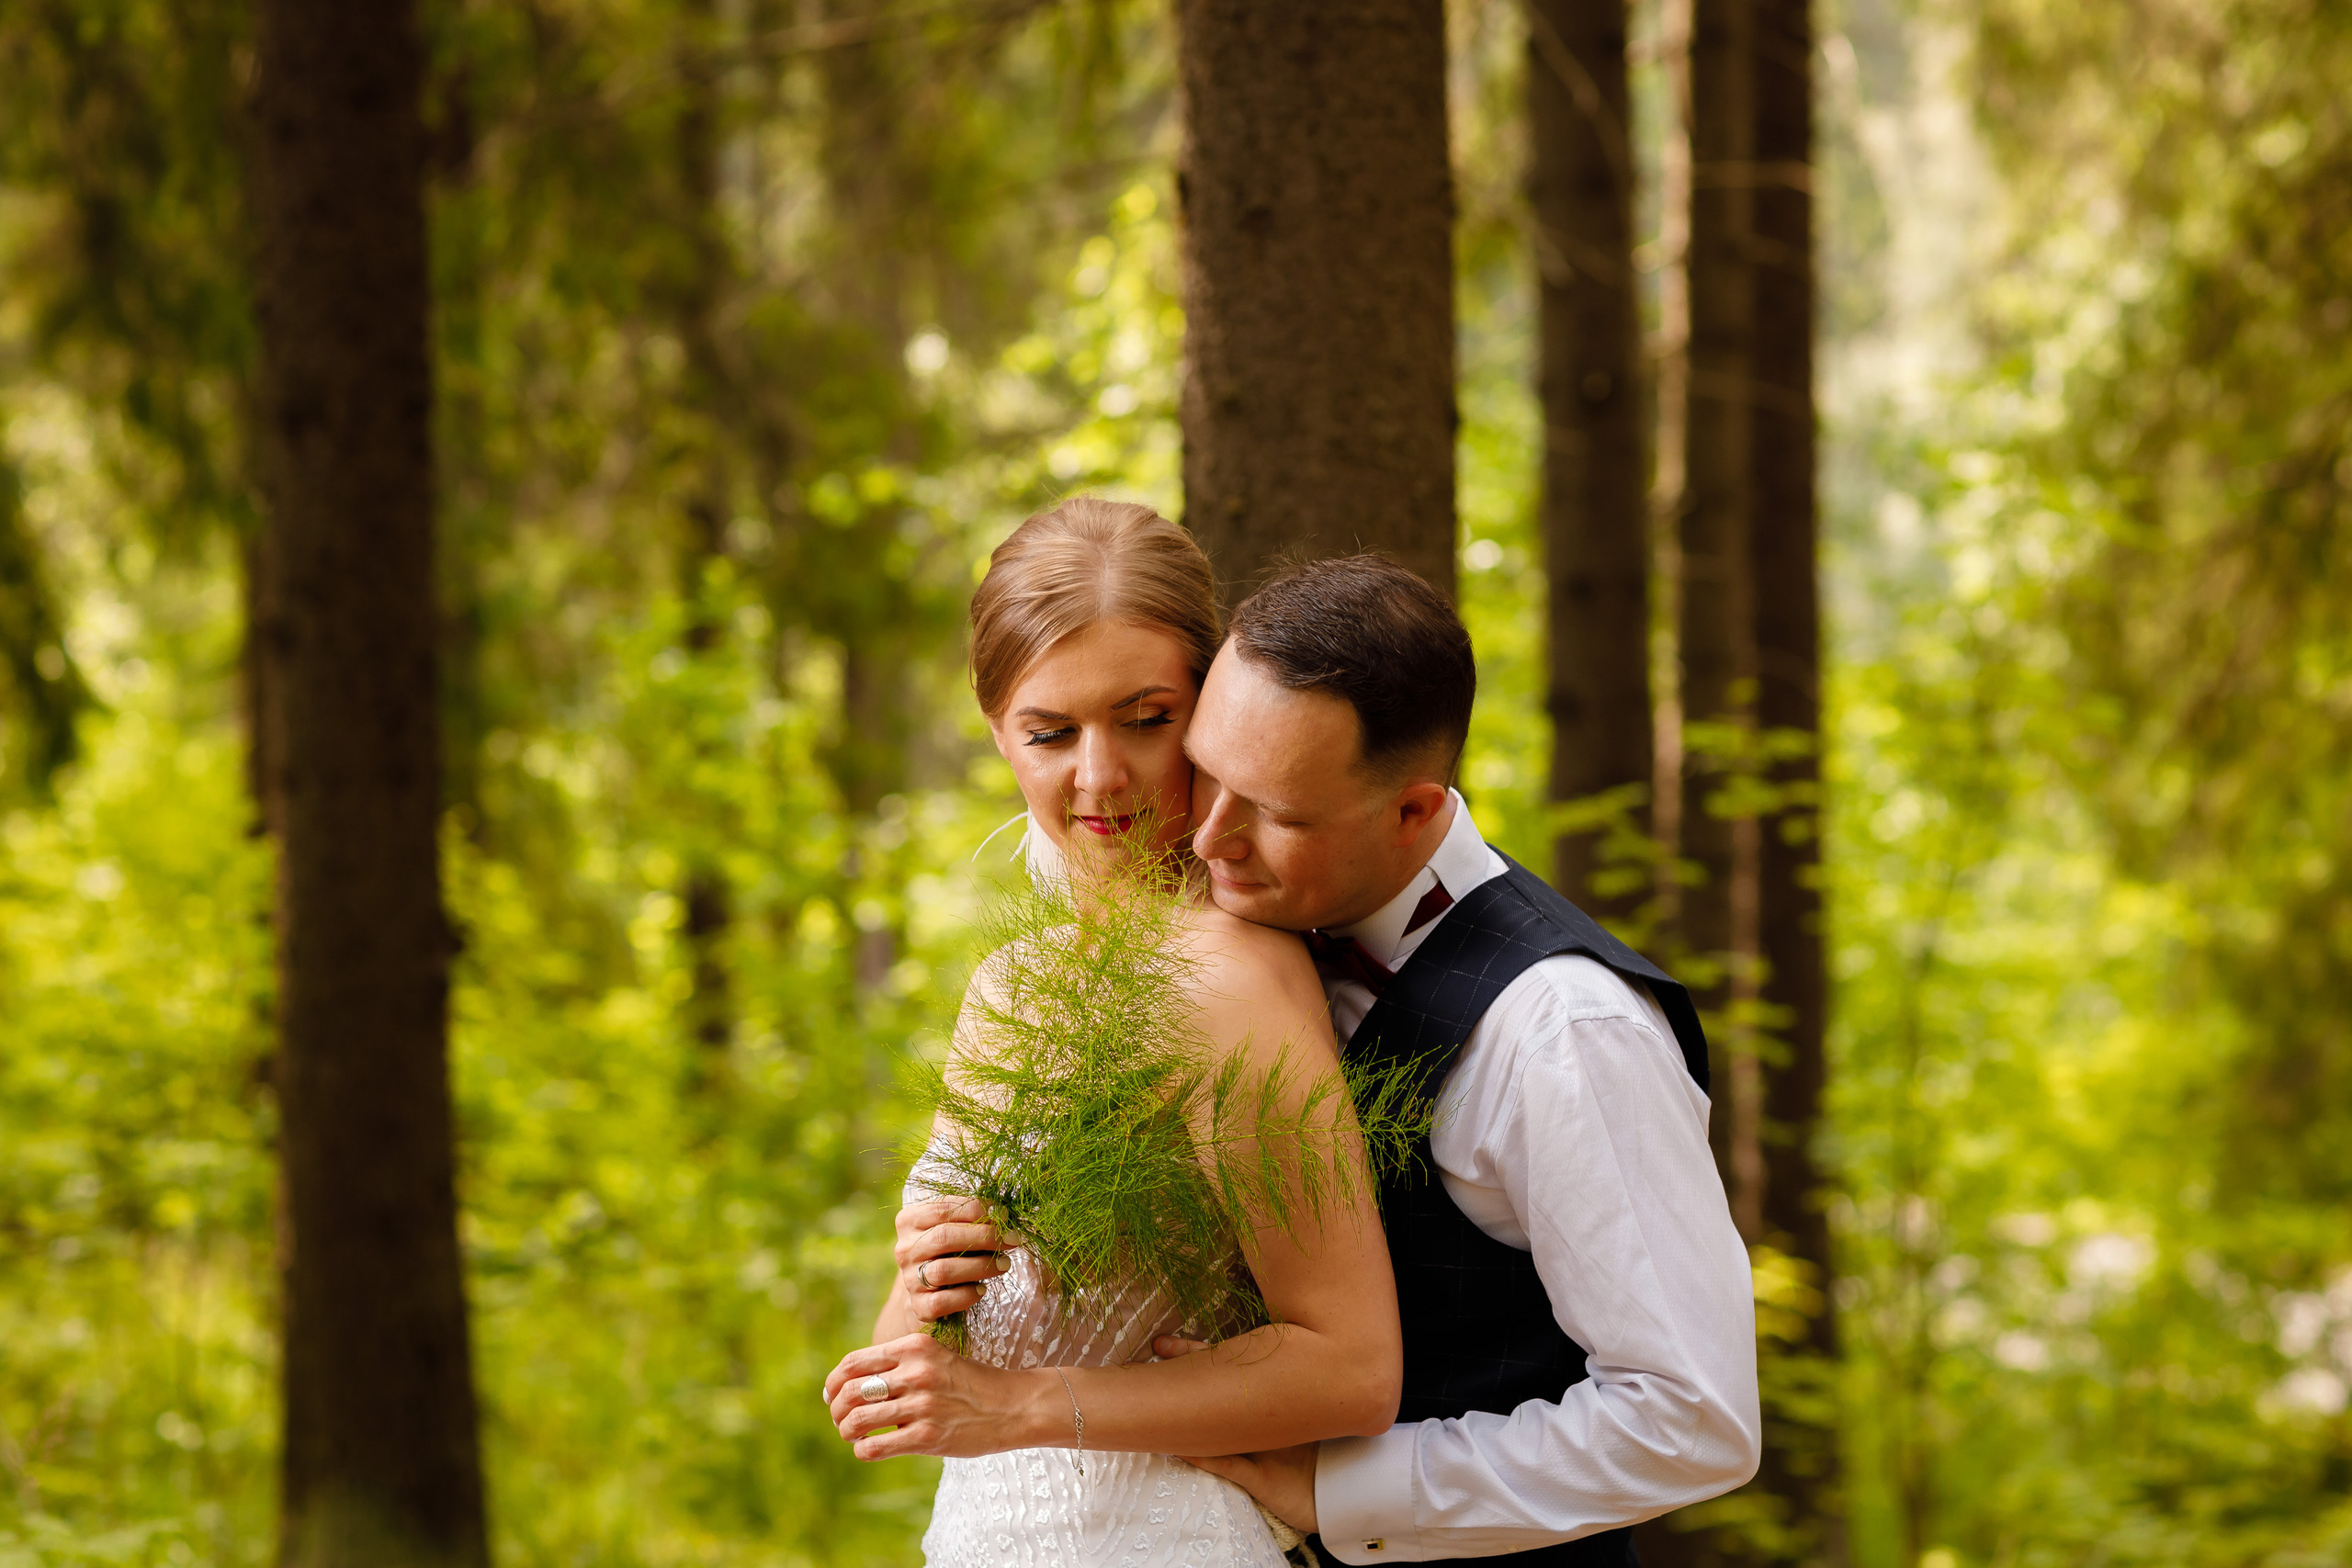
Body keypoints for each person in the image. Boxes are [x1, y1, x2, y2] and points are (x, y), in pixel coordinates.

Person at [820, 500, 1408, 1568]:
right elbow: (915, 1377)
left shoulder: (1227, 974)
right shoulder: (1007, 985)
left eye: (1144, 719)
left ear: (1208, 711)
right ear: (997, 732)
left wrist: (1022, 1407)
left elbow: (1353, 1369)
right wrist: (926, 1275)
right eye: (1050, 733)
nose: (1099, 777)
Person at [1158, 555, 1761, 1563]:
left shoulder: (1565, 1032)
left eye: (1278, 813)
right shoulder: (1227, 935)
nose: (1211, 836)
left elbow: (1691, 1420)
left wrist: (1345, 1490)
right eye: (1205, 771)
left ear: (1415, 813)